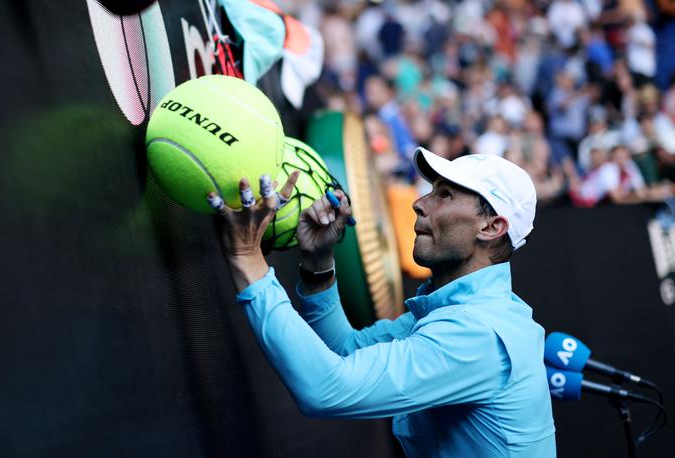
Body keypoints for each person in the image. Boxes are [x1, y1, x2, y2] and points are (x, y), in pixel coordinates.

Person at [208, 149, 556, 457]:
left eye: (445, 195)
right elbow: (345, 350)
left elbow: (326, 389)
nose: (418, 203)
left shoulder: (479, 332)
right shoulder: (461, 311)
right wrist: (319, 264)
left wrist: (247, 257)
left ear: (492, 227)